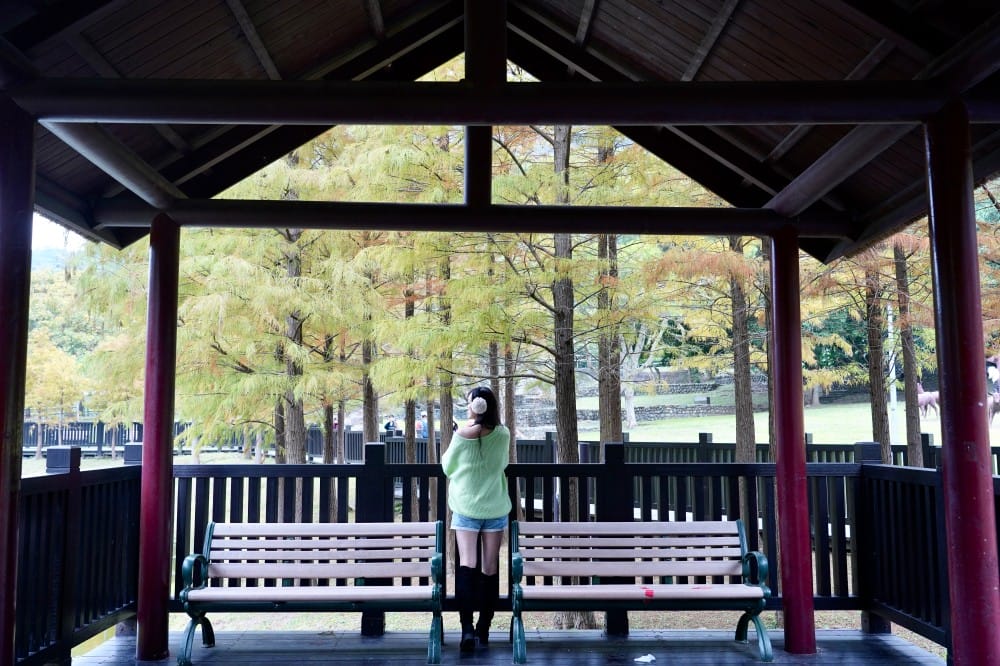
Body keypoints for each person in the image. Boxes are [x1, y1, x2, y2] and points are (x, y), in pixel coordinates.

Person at [440, 386, 510, 653]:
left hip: (467, 507)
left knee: (467, 565)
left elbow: (447, 467)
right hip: (494, 506)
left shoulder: (461, 435)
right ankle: (485, 627)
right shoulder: (503, 434)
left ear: (473, 407)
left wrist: (463, 431)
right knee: (490, 568)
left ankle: (466, 628)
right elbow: (502, 464)